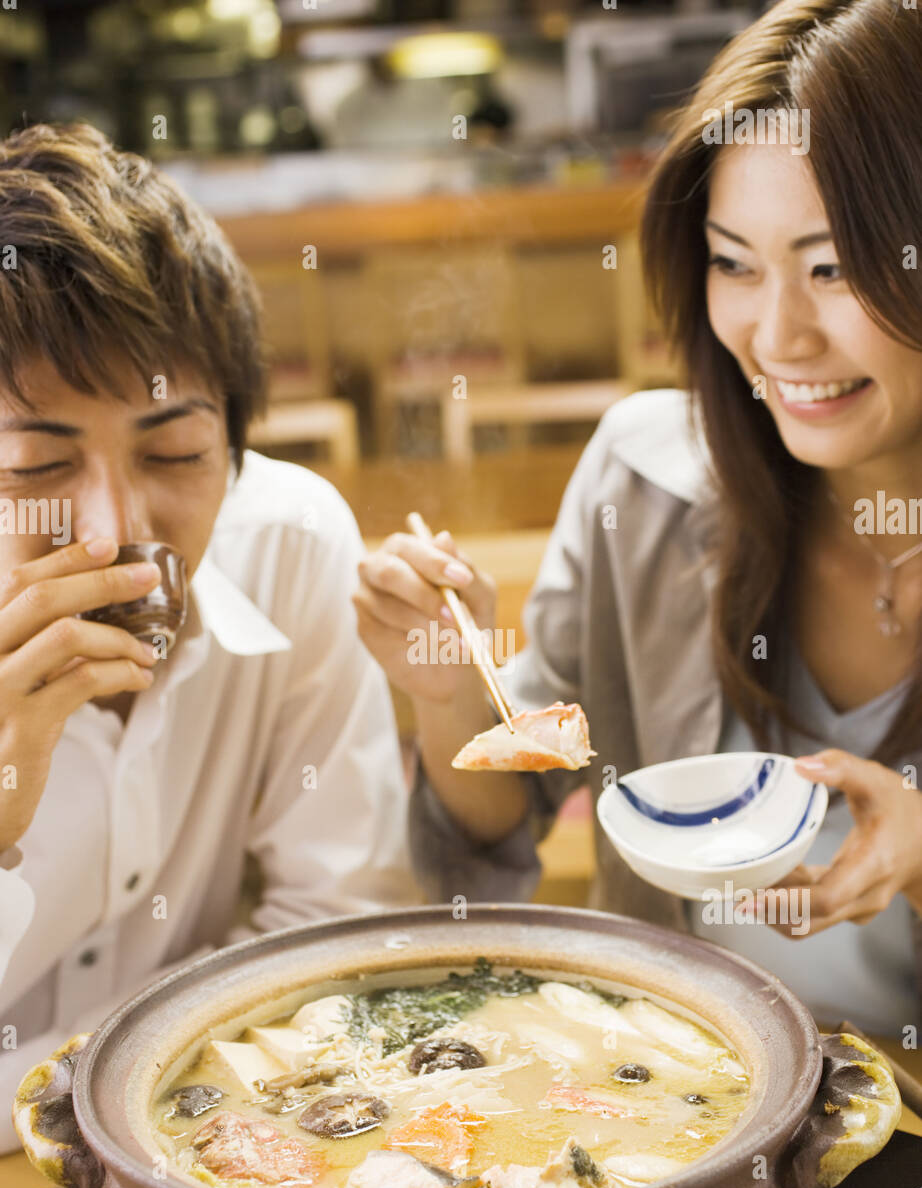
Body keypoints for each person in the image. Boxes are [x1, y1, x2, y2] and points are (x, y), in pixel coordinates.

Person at [354, 0, 922, 1037]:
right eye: (733, 263)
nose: (778, 334)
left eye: (832, 266)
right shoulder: (643, 482)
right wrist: (446, 697)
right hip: (682, 1126)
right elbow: (495, 828)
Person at [0, 123, 416, 1151]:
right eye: (38, 468)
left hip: (205, 1140)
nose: (115, 531)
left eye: (176, 449)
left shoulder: (287, 544)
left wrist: (132, 1093)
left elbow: (338, 924)